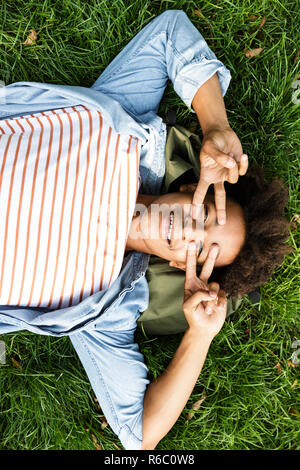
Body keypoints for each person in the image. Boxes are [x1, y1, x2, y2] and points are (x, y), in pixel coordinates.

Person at [0, 10, 290, 449]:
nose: (194, 230)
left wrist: (200, 335)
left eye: (205, 250)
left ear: (179, 265)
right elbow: (171, 32)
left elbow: (140, 435)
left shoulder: (106, 310)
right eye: (208, 213)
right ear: (195, 185)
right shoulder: (129, 130)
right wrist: (215, 126)